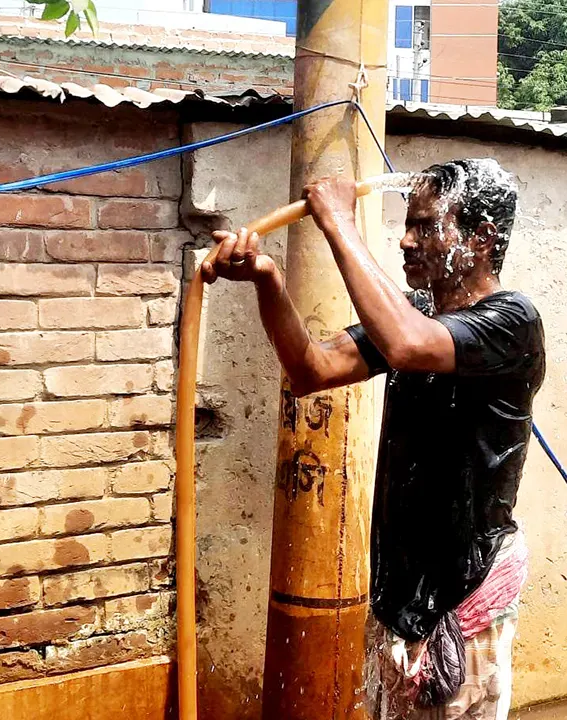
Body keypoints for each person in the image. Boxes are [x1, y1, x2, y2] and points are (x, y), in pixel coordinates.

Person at [202, 158, 545, 720]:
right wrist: (269, 280)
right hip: (403, 591)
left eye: (425, 225)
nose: (406, 241)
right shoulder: (415, 313)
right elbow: (312, 368)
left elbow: (410, 346)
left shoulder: (512, 322)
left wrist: (339, 222)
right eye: (406, 224)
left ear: (481, 239)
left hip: (465, 590)